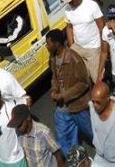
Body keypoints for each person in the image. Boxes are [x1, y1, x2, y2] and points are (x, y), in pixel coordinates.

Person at [47, 29, 93, 157]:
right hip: (62, 107)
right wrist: (55, 89)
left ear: (57, 43)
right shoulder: (53, 57)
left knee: (91, 133)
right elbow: (54, 77)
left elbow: (84, 83)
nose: (47, 46)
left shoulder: (73, 58)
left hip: (77, 106)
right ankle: (74, 159)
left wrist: (64, 95)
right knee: (63, 135)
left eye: (49, 43)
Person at [64, 0, 105, 83]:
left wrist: (102, 46)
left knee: (97, 79)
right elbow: (69, 27)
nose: (70, 3)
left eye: (71, 1)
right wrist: (72, 45)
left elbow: (101, 26)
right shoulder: (67, 9)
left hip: (93, 47)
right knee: (81, 76)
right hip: (77, 47)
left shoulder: (92, 5)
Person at [7, 103, 64, 167]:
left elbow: (58, 154)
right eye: (16, 126)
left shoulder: (44, 133)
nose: (17, 129)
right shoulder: (19, 135)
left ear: (28, 117)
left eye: (20, 125)